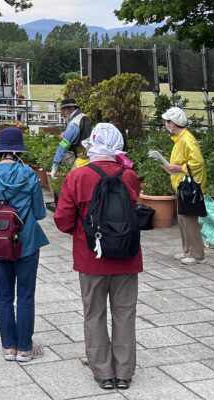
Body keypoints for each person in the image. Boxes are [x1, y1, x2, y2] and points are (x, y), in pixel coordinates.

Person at [54, 123, 142, 391]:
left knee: (94, 312)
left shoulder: (79, 176)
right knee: (125, 313)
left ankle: (103, 372)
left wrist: (84, 234)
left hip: (90, 255)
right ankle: (124, 372)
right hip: (127, 255)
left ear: (91, 144)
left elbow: (62, 219)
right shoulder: (129, 176)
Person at [0, 126, 49, 363]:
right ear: (18, 151)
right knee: (26, 295)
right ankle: (25, 348)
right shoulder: (29, 175)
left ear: (1, 151)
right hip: (27, 240)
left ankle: (8, 347)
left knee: (4, 297)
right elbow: (40, 213)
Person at [161, 107, 207, 265]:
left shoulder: (186, 139)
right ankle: (187, 250)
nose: (166, 124)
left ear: (173, 124)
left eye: (167, 121)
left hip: (189, 187)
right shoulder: (180, 139)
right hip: (182, 185)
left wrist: (179, 168)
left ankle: (197, 254)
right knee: (183, 219)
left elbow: (198, 162)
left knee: (189, 220)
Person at [49, 98, 91, 179]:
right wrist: (65, 133)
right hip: (92, 157)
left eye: (63, 110)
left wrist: (55, 166)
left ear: (71, 108)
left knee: (72, 181)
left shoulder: (73, 124)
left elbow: (63, 145)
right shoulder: (84, 117)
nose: (61, 114)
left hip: (82, 159)